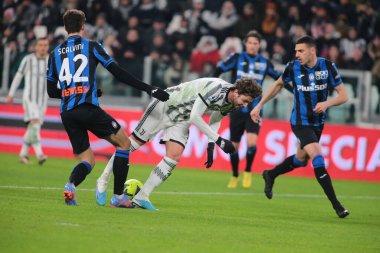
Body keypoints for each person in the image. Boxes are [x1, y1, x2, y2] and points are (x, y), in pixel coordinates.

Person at [46, 9, 169, 207]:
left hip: (67, 113)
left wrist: (76, 92)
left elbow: (52, 91)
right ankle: (118, 197)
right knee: (124, 144)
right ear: (83, 26)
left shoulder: (54, 55)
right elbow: (117, 72)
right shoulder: (92, 46)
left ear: (65, 27)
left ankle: (70, 186)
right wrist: (149, 89)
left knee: (88, 160)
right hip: (87, 109)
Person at [96, 77, 263, 210]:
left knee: (174, 156)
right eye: (245, 100)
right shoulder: (216, 88)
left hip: (181, 119)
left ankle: (142, 196)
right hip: (165, 106)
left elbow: (215, 118)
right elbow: (196, 117)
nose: (245, 105)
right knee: (131, 145)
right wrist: (219, 140)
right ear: (236, 91)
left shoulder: (232, 103)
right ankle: (102, 180)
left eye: (248, 103)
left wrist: (211, 144)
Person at [251, 35, 350, 218]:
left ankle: (271, 174)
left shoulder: (328, 66)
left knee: (301, 159)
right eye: (296, 50)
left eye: (301, 51)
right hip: (300, 122)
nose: (297, 54)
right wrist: (259, 105)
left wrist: (327, 104)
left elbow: (344, 95)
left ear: (312, 50)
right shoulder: (293, 67)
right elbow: (277, 84)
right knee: (317, 158)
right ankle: (337, 206)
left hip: (317, 123)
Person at [213, 30, 285, 189]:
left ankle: (247, 171)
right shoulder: (237, 58)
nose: (252, 46)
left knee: (252, 143)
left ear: (259, 45)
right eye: (250, 42)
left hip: (255, 110)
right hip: (236, 108)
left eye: (256, 43)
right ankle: (234, 175)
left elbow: (280, 79)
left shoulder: (265, 62)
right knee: (234, 146)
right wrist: (214, 84)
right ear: (246, 43)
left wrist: (294, 89)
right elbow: (219, 69)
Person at [7, 37, 50, 165]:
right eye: (41, 45)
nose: (43, 47)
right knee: (35, 124)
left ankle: (23, 154)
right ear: (36, 46)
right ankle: (40, 154)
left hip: (43, 100)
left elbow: (56, 79)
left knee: (33, 127)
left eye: (45, 45)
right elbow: (18, 76)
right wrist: (11, 93)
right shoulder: (28, 59)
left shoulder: (50, 61)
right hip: (29, 98)